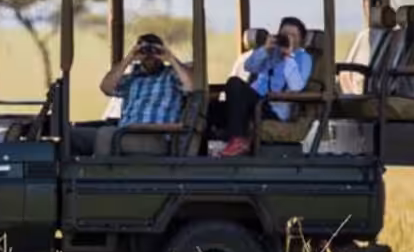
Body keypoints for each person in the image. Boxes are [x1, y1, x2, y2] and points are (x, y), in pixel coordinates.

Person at [74, 32, 193, 156]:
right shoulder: (132, 78)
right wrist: (129, 58)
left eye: (155, 50)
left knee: (106, 135)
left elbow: (192, 87)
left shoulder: (171, 76)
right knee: (72, 136)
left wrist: (170, 58)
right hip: (123, 134)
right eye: (144, 50)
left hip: (154, 137)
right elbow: (106, 87)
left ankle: (104, 168)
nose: (150, 55)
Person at [215, 16, 312, 157]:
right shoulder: (272, 53)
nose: (287, 38)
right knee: (213, 108)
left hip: (273, 107)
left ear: (301, 40)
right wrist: (265, 49)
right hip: (256, 102)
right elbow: (249, 66)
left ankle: (239, 141)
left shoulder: (303, 58)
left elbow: (296, 86)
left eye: (293, 35)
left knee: (235, 84)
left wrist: (288, 56)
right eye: (284, 34)